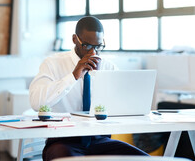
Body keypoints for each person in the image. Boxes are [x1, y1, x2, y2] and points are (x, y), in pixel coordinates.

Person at [29, 16, 148, 161]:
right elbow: (36, 103)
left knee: (144, 159)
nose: (93, 53)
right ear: (75, 40)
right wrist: (73, 76)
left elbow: (123, 106)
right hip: (63, 141)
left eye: (98, 47)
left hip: (100, 141)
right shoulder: (53, 64)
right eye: (87, 46)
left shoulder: (108, 67)